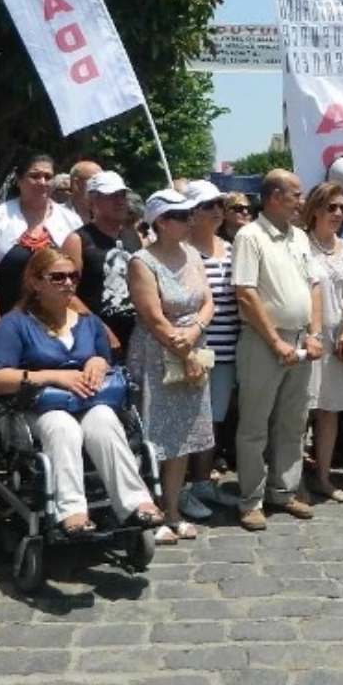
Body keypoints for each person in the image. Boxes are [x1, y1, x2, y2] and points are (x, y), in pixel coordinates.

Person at [0, 249, 163, 536]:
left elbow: (106, 358)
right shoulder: (15, 324)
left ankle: (135, 503)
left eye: (73, 276)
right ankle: (71, 512)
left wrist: (97, 361)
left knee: (105, 419)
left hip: (89, 400)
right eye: (57, 277)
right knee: (63, 426)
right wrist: (53, 376)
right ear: (35, 282)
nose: (68, 283)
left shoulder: (88, 321)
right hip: (40, 405)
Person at [231, 170, 323, 531]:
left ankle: (283, 491)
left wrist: (314, 334)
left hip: (301, 340)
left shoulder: (299, 236)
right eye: (296, 194)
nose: (301, 201)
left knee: (294, 421)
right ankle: (251, 499)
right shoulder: (250, 236)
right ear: (273, 197)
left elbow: (314, 287)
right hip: (263, 341)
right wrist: (275, 341)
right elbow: (246, 294)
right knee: (254, 425)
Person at [128, 190, 216, 544]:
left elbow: (208, 299)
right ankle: (150, 507)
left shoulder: (192, 254)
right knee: (154, 435)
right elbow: (152, 316)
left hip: (193, 344)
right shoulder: (141, 261)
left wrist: (194, 332)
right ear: (161, 222)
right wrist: (183, 349)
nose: (189, 222)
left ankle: (173, 507)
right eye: (181, 216)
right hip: (157, 354)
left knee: (182, 436)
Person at [181, 180, 243, 510]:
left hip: (230, 346)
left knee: (215, 418)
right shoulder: (183, 252)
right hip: (196, 345)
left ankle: (203, 482)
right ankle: (184, 485)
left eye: (219, 204)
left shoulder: (232, 249)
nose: (217, 211)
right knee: (193, 418)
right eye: (208, 206)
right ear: (191, 213)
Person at [303, 182, 343, 502]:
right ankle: (287, 480)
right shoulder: (300, 245)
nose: (338, 213)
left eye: (342, 207)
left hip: (340, 339)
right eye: (331, 207)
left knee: (329, 411)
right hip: (306, 337)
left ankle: (323, 477)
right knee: (297, 411)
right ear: (314, 210)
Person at [0, 151, 82, 314]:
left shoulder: (71, 220)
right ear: (19, 181)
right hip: (7, 314)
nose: (42, 182)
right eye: (35, 176)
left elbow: (76, 277)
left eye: (48, 177)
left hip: (58, 316)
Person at [62, 170, 142, 357]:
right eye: (111, 196)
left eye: (122, 195)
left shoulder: (133, 236)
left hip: (136, 334)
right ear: (93, 201)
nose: (120, 201)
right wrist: (100, 329)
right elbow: (66, 293)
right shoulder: (78, 240)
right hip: (93, 337)